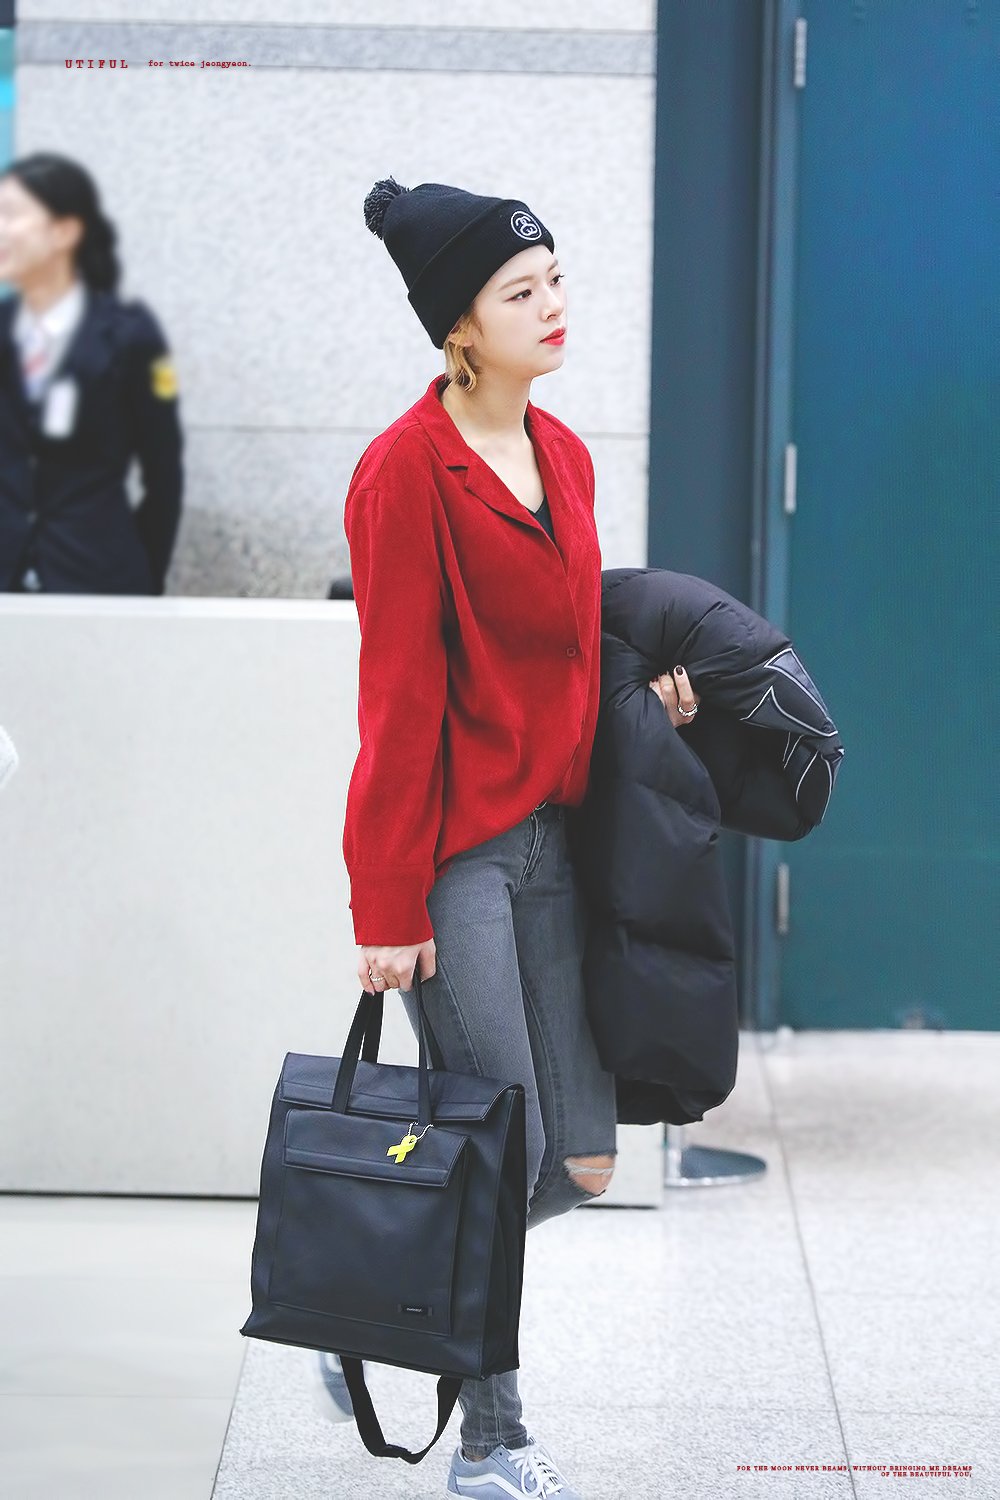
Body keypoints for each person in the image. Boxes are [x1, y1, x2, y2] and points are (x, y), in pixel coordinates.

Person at [330, 176, 700, 1499]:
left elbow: (566, 639)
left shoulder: (568, 454)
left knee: (576, 1161)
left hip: (557, 843)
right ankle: (491, 1439)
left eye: (555, 280)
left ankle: (367, 1292)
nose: (553, 306)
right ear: (459, 326)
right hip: (456, 857)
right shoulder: (403, 472)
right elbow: (398, 698)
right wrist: (387, 905)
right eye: (520, 291)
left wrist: (643, 697)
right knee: (503, 1153)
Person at [0, 152, 183, 594]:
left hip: (97, 577)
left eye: (11, 215)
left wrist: (144, 579)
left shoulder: (129, 336)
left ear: (64, 231)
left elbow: (163, 474)